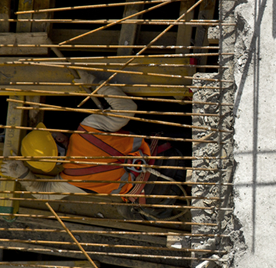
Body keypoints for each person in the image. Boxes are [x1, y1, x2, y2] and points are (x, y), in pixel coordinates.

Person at [0, 71, 186, 219]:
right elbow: (127, 108)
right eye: (51, 132)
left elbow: (43, 194)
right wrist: (95, 83)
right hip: (173, 160)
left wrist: (23, 174)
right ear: (58, 139)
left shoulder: (71, 180)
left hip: (159, 195)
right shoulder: (88, 128)